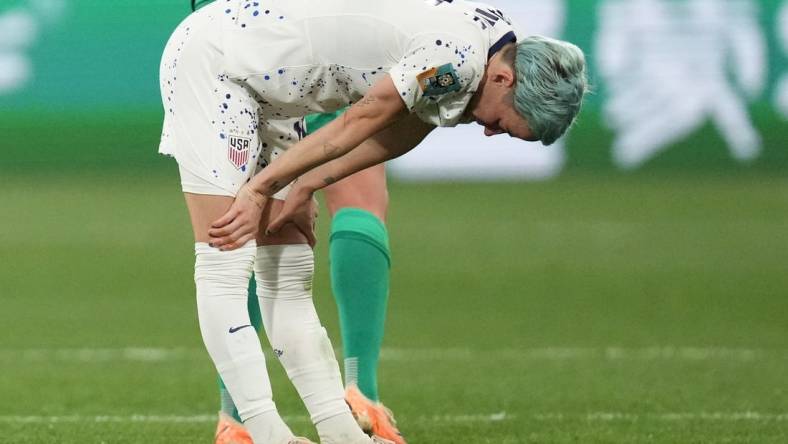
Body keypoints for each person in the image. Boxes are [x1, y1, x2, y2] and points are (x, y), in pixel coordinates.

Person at [159, 0, 587, 442]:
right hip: (219, 65)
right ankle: (264, 432)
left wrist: (304, 183)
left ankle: (341, 433)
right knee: (224, 261)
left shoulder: (495, 49)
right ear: (504, 78)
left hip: (278, 96)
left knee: (289, 272)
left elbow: (398, 135)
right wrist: (258, 189)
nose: (489, 132)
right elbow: (362, 119)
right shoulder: (455, 60)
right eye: (501, 122)